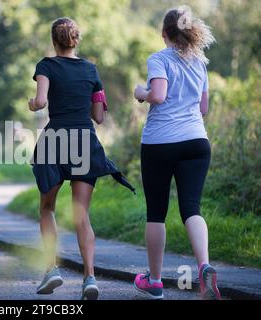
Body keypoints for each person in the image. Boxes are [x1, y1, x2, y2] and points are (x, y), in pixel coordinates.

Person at [29, 17, 134, 300]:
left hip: (55, 139)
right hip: (84, 140)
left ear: (54, 41)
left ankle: (51, 270)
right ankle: (89, 278)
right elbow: (99, 116)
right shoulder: (91, 70)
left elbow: (40, 102)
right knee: (81, 215)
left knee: (47, 208)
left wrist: (32, 103)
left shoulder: (46, 66)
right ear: (76, 40)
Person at [133, 7, 220, 300]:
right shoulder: (200, 63)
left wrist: (140, 92)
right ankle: (204, 266)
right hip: (197, 141)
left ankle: (154, 281)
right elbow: (203, 109)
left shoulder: (159, 58)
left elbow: (157, 95)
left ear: (164, 33)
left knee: (157, 212)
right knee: (191, 208)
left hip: (160, 142)